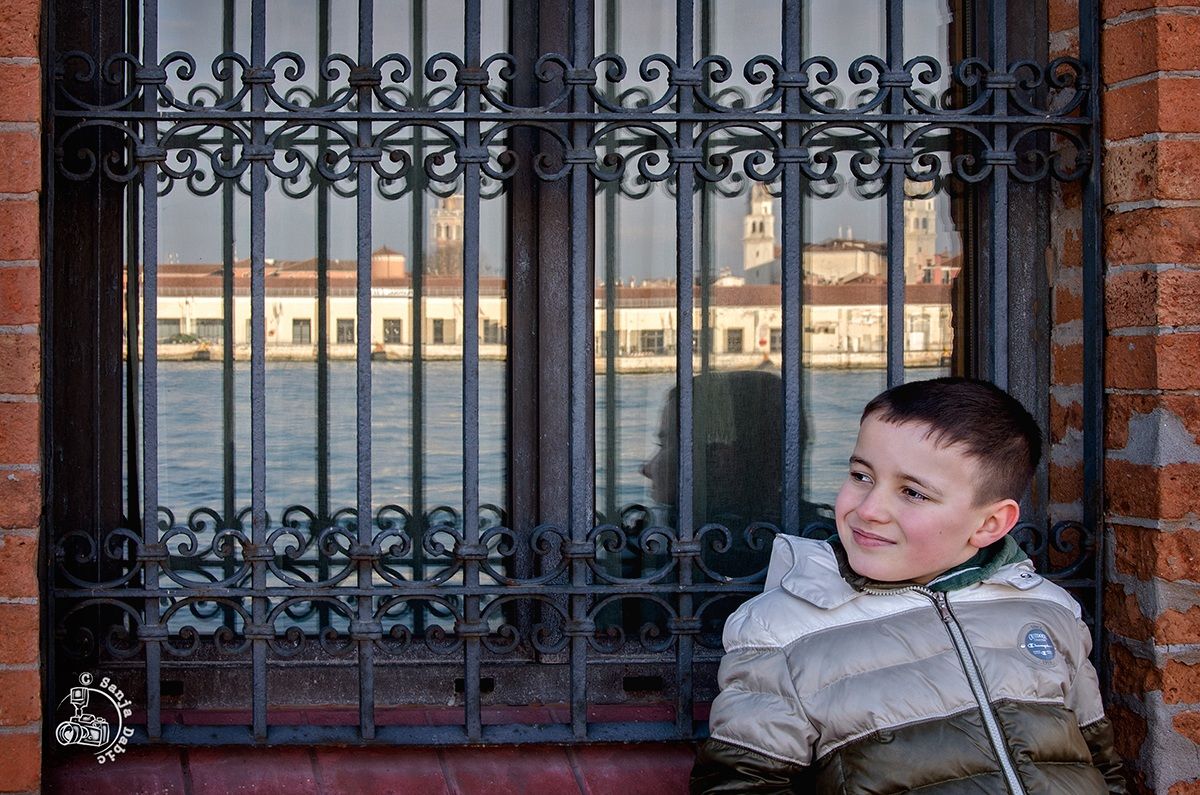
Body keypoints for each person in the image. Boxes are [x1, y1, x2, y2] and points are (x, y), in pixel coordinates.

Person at [690, 377, 1124, 794]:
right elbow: (740, 783)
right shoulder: (782, 631)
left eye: (913, 493)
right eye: (862, 476)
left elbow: (1099, 763)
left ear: (990, 523)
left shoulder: (1050, 611)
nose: (870, 509)